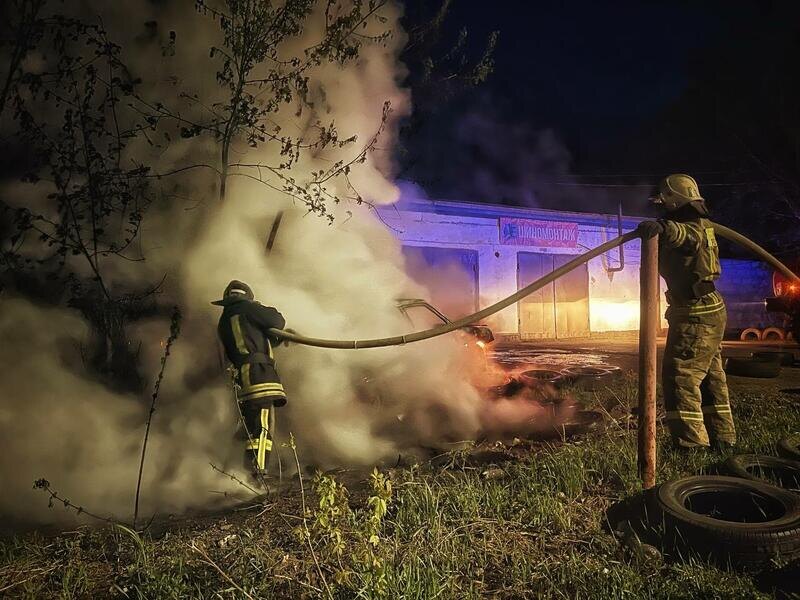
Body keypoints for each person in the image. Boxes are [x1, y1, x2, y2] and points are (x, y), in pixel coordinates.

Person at [637, 174, 736, 451]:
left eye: (664, 201)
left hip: (695, 312)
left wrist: (661, 229)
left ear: (673, 200)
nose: (661, 206)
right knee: (711, 376)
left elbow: (683, 236)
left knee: (680, 375)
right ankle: (723, 438)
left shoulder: (689, 227)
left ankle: (691, 445)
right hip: (706, 307)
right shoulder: (704, 224)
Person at [212, 280, 287, 475]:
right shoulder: (248, 309)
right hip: (258, 373)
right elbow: (277, 320)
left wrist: (278, 339)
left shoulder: (227, 318)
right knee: (262, 425)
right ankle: (257, 473)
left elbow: (250, 342)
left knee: (249, 423)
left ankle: (230, 467)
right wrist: (258, 307)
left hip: (243, 375)